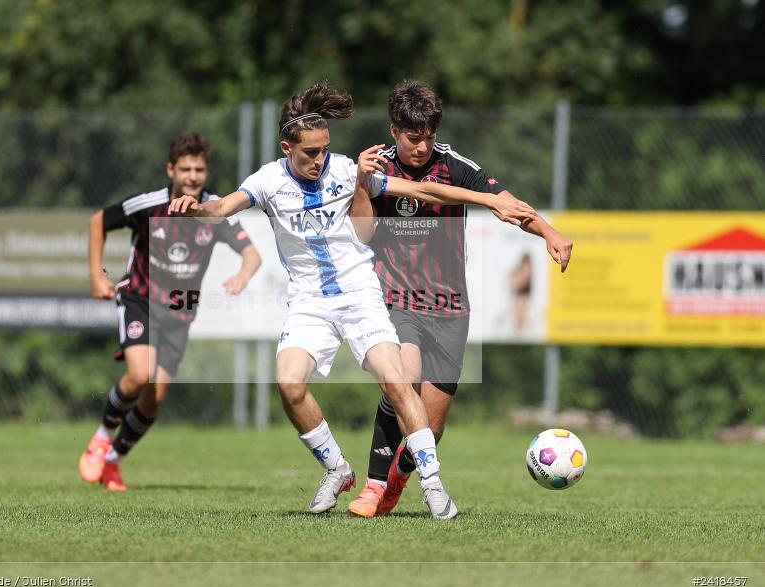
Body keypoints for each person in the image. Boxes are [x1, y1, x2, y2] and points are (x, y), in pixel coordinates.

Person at [168, 81, 537, 519]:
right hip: (308, 302)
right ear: (287, 147)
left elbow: (424, 192)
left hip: (361, 293)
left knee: (398, 382)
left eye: (324, 149)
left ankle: (435, 489)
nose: (319, 159)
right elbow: (221, 207)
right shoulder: (267, 181)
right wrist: (192, 208)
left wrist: (487, 200)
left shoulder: (346, 170)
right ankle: (337, 469)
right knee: (288, 382)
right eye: (309, 152)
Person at [346, 81, 573, 518]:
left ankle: (397, 481)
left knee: (430, 426)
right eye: (414, 137)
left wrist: (549, 230)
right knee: (402, 381)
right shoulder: (374, 167)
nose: (423, 145)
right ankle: (373, 486)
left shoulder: (454, 165)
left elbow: (505, 203)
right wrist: (360, 184)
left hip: (450, 307)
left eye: (430, 135)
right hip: (396, 299)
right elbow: (361, 235)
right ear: (395, 130)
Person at [78, 132, 262, 491]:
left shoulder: (213, 210)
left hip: (179, 312)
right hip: (140, 299)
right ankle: (101, 437)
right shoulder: (149, 204)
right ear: (171, 169)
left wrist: (242, 275)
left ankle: (112, 462)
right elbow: (98, 221)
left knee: (154, 397)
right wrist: (96, 277)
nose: (193, 176)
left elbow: (252, 254)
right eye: (185, 169)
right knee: (140, 374)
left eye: (200, 169)